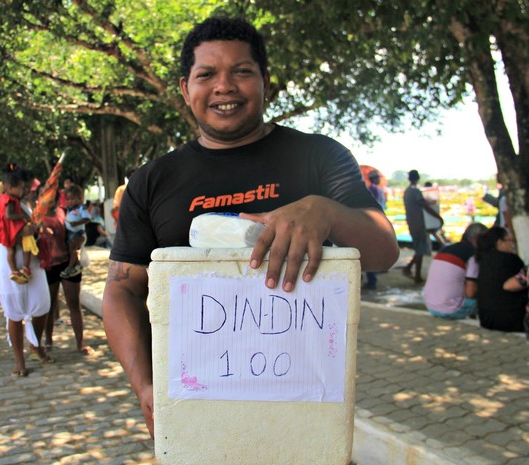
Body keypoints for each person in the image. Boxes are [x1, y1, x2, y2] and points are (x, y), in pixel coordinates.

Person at [102, 16, 399, 438]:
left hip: (306, 407)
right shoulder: (152, 180)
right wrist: (144, 384)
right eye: (207, 74)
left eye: (242, 71)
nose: (224, 86)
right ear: (187, 89)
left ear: (266, 83)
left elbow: (385, 253)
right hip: (195, 407)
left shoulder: (319, 157)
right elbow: (122, 289)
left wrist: (325, 211)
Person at [0, 167, 51, 376]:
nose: (26, 191)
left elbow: (33, 224)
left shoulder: (27, 205)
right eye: (23, 187)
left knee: (42, 304)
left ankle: (35, 343)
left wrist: (35, 231)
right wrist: (14, 233)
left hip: (31, 256)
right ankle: (19, 361)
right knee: (14, 311)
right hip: (9, 254)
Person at [41, 198, 93, 354]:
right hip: (49, 265)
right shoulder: (38, 217)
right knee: (49, 307)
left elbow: (79, 230)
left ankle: (80, 343)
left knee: (74, 304)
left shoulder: (65, 212)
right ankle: (48, 340)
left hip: (69, 261)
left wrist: (80, 242)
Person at [423, 222, 487, 320]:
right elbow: (471, 292)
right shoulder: (472, 255)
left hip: (431, 306)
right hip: (451, 310)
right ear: (476, 238)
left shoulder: (445, 249)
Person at [475, 226, 527, 332]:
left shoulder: (483, 260)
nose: (512, 245)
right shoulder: (511, 260)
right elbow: (515, 285)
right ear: (499, 242)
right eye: (510, 240)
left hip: (486, 319)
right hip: (510, 320)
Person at [0, 165, 32, 284]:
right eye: (21, 188)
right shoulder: (10, 200)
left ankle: (14, 271)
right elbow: (9, 215)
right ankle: (25, 268)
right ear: (10, 187)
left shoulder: (6, 199)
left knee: (11, 251)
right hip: (10, 230)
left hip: (6, 230)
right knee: (26, 245)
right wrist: (23, 217)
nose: (23, 191)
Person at [403, 170, 444, 284]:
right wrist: (438, 217)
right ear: (418, 178)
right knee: (420, 249)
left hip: (413, 223)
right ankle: (416, 275)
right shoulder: (415, 191)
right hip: (419, 224)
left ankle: (409, 268)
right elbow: (424, 206)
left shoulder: (407, 192)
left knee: (419, 249)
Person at [61, 184, 91, 278]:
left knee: (73, 249)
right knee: (71, 249)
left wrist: (77, 223)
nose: (70, 201)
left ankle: (70, 267)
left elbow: (87, 219)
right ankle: (76, 265)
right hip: (70, 233)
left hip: (79, 233)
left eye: (73, 199)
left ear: (79, 198)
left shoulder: (81, 208)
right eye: (68, 199)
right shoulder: (68, 210)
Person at [364, 170, 386, 289]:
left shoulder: (374, 189)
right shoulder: (374, 190)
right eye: (378, 177)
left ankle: (373, 276)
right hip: (375, 223)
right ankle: (372, 279)